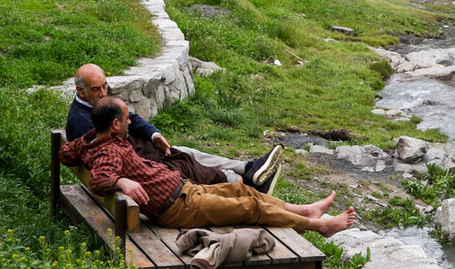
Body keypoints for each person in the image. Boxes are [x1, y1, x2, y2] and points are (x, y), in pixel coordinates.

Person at [60, 96, 357, 236]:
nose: (130, 122)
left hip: (186, 191)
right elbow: (100, 179)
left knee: (247, 194)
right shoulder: (108, 151)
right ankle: (318, 226)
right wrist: (122, 183)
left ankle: (304, 210)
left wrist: (87, 140)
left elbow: (66, 152)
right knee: (249, 209)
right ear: (114, 125)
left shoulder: (93, 140)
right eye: (126, 119)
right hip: (178, 208)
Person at [67, 64, 282, 193]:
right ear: (81, 91)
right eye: (97, 89)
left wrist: (154, 135)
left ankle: (249, 168)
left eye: (105, 85)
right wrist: (151, 159)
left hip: (143, 155)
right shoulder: (82, 123)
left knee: (188, 152)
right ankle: (249, 186)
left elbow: (131, 117)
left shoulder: (99, 104)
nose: (104, 92)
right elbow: (112, 159)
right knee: (194, 166)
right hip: (146, 168)